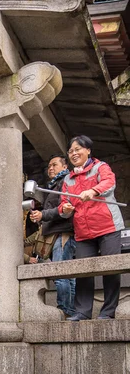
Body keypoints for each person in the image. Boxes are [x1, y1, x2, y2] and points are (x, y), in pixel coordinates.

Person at [58, 135, 124, 321]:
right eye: (71, 151)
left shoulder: (100, 167)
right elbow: (63, 204)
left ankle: (108, 312)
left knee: (111, 269)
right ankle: (82, 312)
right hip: (83, 231)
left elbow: (109, 183)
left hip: (108, 226)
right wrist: (66, 209)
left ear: (88, 150)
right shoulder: (68, 180)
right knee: (83, 271)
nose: (74, 153)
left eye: (78, 149)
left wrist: (93, 190)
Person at [29, 155, 76, 317]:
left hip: (63, 232)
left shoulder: (65, 182)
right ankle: (68, 309)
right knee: (66, 274)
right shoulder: (55, 184)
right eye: (48, 165)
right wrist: (40, 217)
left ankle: (65, 309)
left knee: (61, 273)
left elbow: (64, 208)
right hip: (58, 232)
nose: (50, 168)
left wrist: (43, 215)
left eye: (54, 165)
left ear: (64, 167)